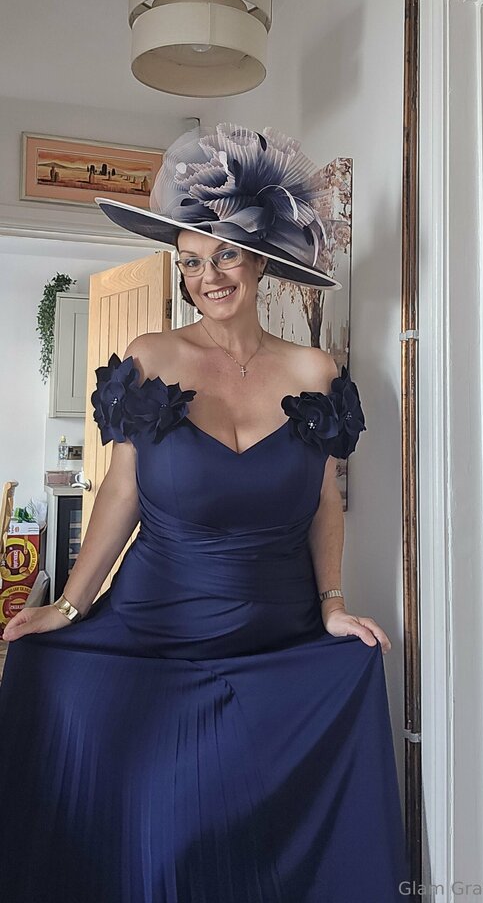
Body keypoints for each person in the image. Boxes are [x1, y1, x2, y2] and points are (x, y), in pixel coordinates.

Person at [0, 124, 409, 903]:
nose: (207, 277)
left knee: (248, 844)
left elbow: (323, 499)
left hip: (278, 641)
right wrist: (68, 605)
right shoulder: (151, 358)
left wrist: (333, 606)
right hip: (152, 634)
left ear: (259, 259)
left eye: (223, 255)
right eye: (189, 261)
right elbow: (121, 493)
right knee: (162, 831)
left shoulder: (316, 371)